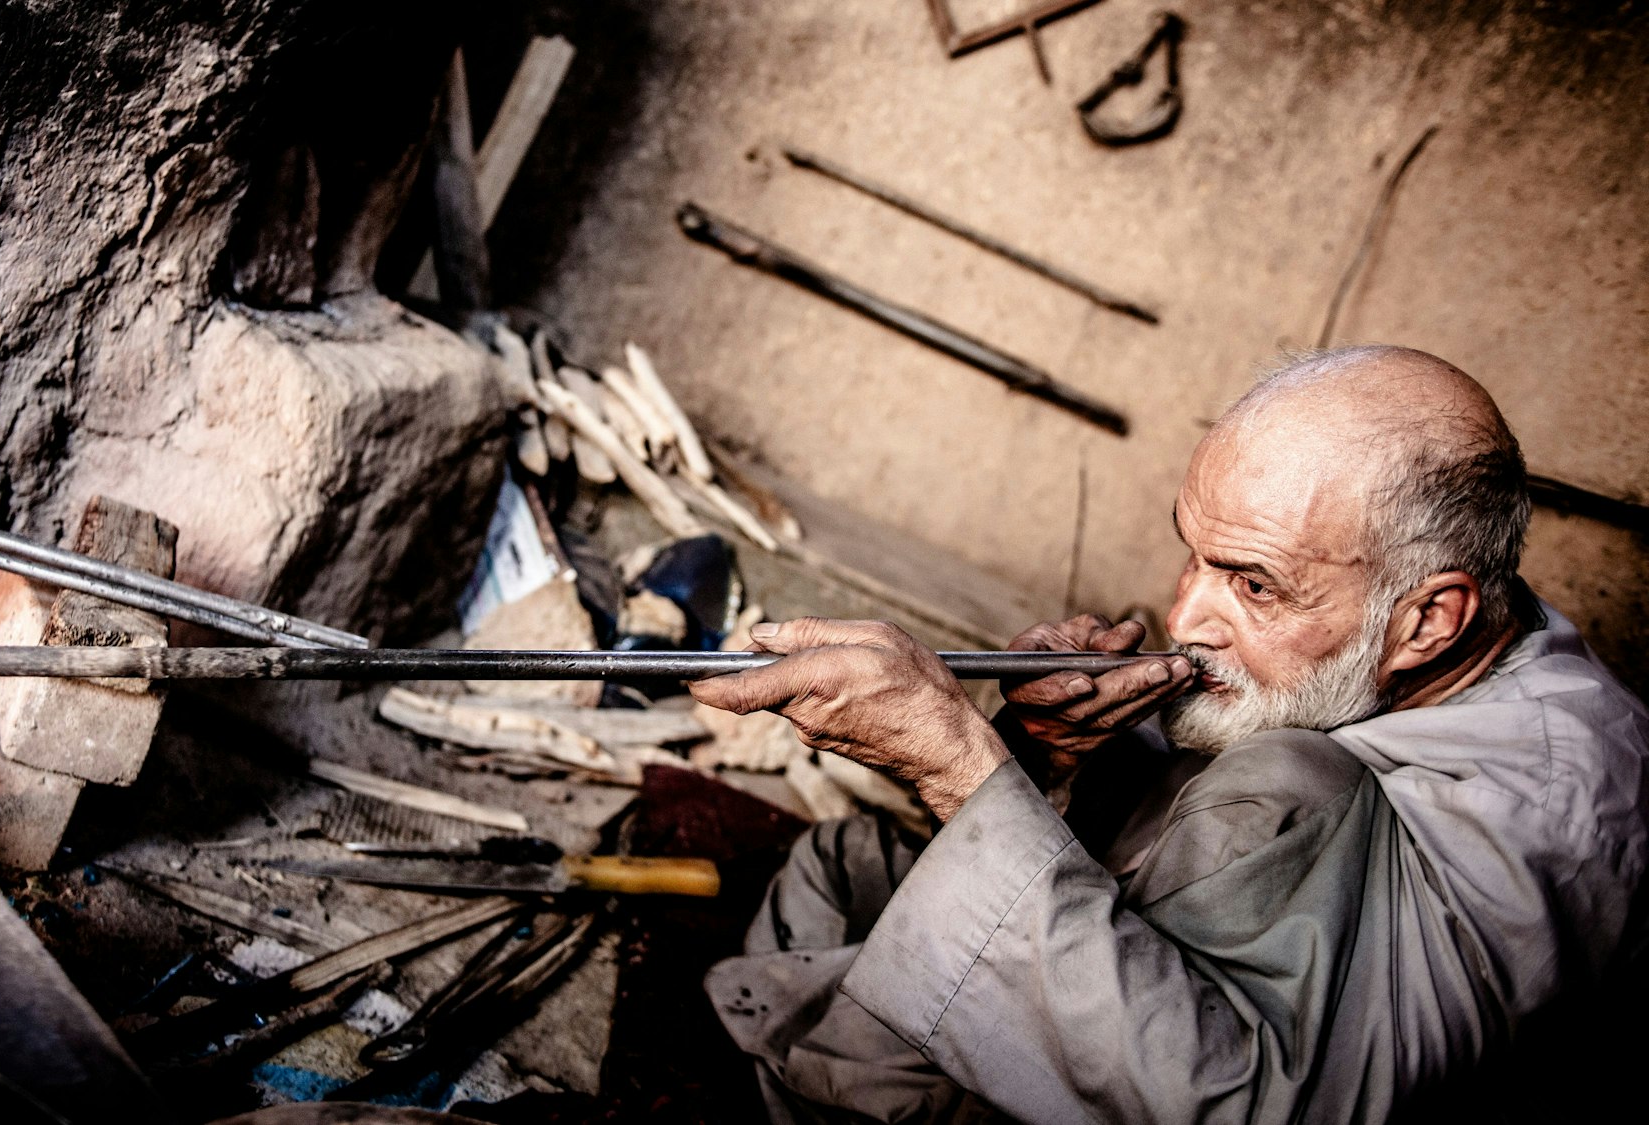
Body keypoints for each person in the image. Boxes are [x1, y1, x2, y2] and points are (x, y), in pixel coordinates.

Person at [691, 346, 1649, 1122]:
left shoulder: (1540, 819)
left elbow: (1256, 1102)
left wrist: (957, 766)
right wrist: (1047, 756)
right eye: (1193, 553)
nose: (1185, 613)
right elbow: (1167, 835)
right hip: (1131, 958)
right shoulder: (1411, 641)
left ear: (1428, 621)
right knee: (842, 861)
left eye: (1254, 583)